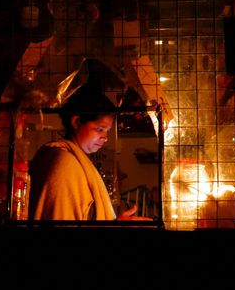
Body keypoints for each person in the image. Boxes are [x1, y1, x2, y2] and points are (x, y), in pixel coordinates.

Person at [27, 84, 152, 221]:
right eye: (100, 129)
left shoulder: (77, 162)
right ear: (76, 122)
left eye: (107, 130)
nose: (105, 137)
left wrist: (117, 225)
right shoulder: (64, 163)